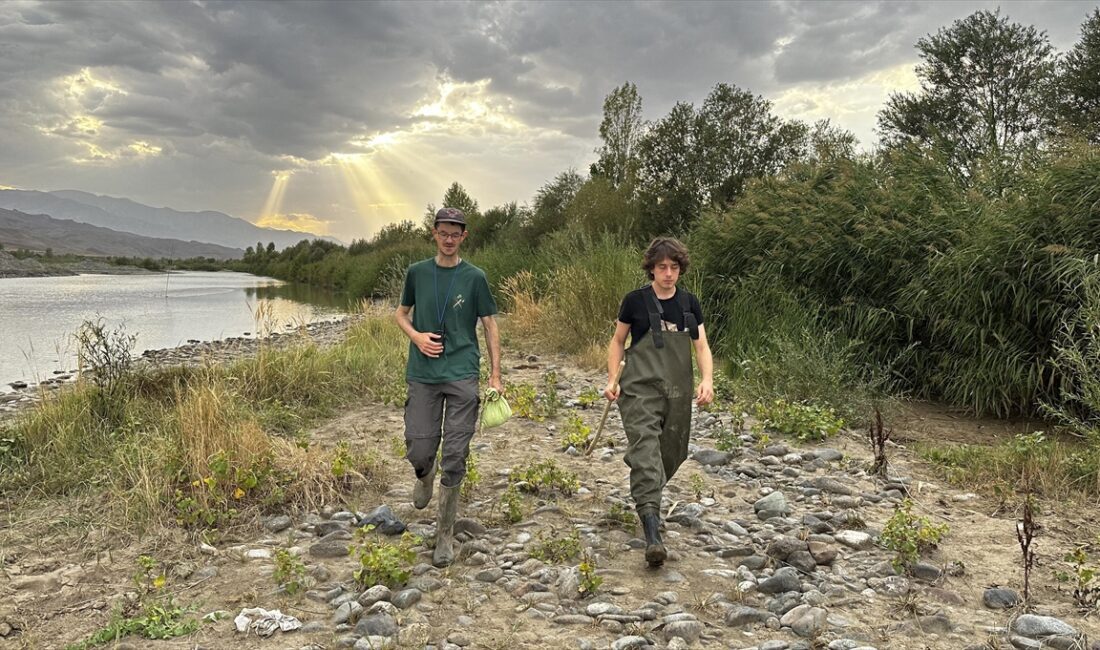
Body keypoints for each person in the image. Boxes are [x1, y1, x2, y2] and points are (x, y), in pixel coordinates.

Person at [395, 207, 503, 567]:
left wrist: (495, 376)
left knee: (455, 454)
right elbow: (400, 313)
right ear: (434, 233)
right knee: (420, 447)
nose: (449, 238)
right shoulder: (417, 273)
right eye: (444, 232)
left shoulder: (475, 277)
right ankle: (423, 476)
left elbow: (490, 325)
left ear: (464, 236)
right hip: (423, 372)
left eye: (455, 233)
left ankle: (444, 534)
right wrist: (417, 337)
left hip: (461, 371)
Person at [603, 237, 714, 568]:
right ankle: (653, 534)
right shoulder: (635, 301)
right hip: (638, 388)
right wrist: (612, 380)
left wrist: (707, 380)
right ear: (651, 268)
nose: (668, 273)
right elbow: (617, 341)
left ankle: (642, 469)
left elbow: (702, 347)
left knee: (673, 451)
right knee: (648, 449)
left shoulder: (689, 304)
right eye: (662, 267)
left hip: (677, 392)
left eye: (674, 267)